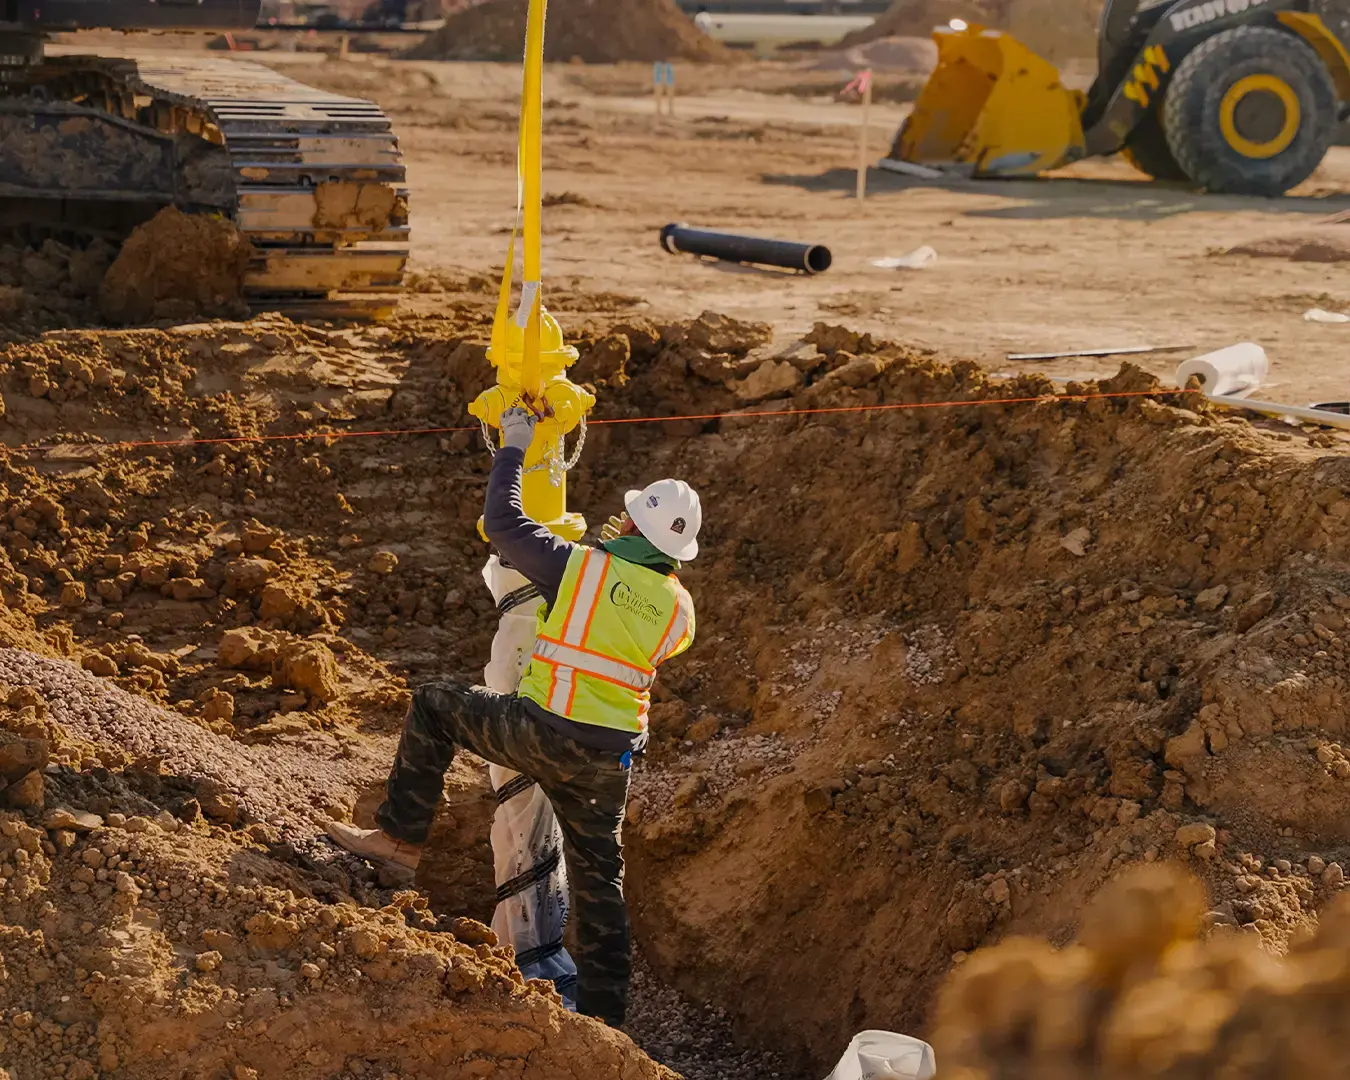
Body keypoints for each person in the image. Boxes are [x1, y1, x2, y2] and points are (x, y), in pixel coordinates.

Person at [328, 405, 699, 1028]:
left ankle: (398, 840)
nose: (618, 520)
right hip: (610, 761)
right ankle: (605, 1019)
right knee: (600, 883)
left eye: (629, 518)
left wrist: (516, 447)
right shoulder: (680, 609)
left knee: (434, 705)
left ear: (639, 533)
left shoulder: (583, 569)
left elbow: (503, 523)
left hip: (543, 731)